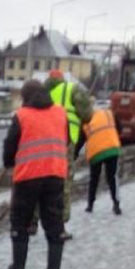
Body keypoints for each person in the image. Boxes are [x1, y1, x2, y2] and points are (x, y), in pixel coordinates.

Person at [3, 79, 70, 269]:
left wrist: (8, 163)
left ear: (26, 97)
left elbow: (10, 145)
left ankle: (18, 267)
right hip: (55, 173)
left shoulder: (22, 116)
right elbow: (65, 140)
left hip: (28, 176)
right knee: (54, 221)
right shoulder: (60, 113)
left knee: (20, 221)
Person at [40, 69, 93, 233]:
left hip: (41, 140)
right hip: (65, 139)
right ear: (62, 80)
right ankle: (59, 225)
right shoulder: (71, 89)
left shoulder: (42, 92)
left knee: (39, 179)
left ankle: (33, 221)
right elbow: (87, 115)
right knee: (63, 182)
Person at [83, 105, 123, 215]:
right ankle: (116, 204)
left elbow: (81, 140)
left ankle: (90, 205)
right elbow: (120, 129)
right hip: (111, 148)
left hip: (95, 152)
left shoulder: (85, 118)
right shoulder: (108, 113)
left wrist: (74, 155)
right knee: (112, 177)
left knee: (94, 178)